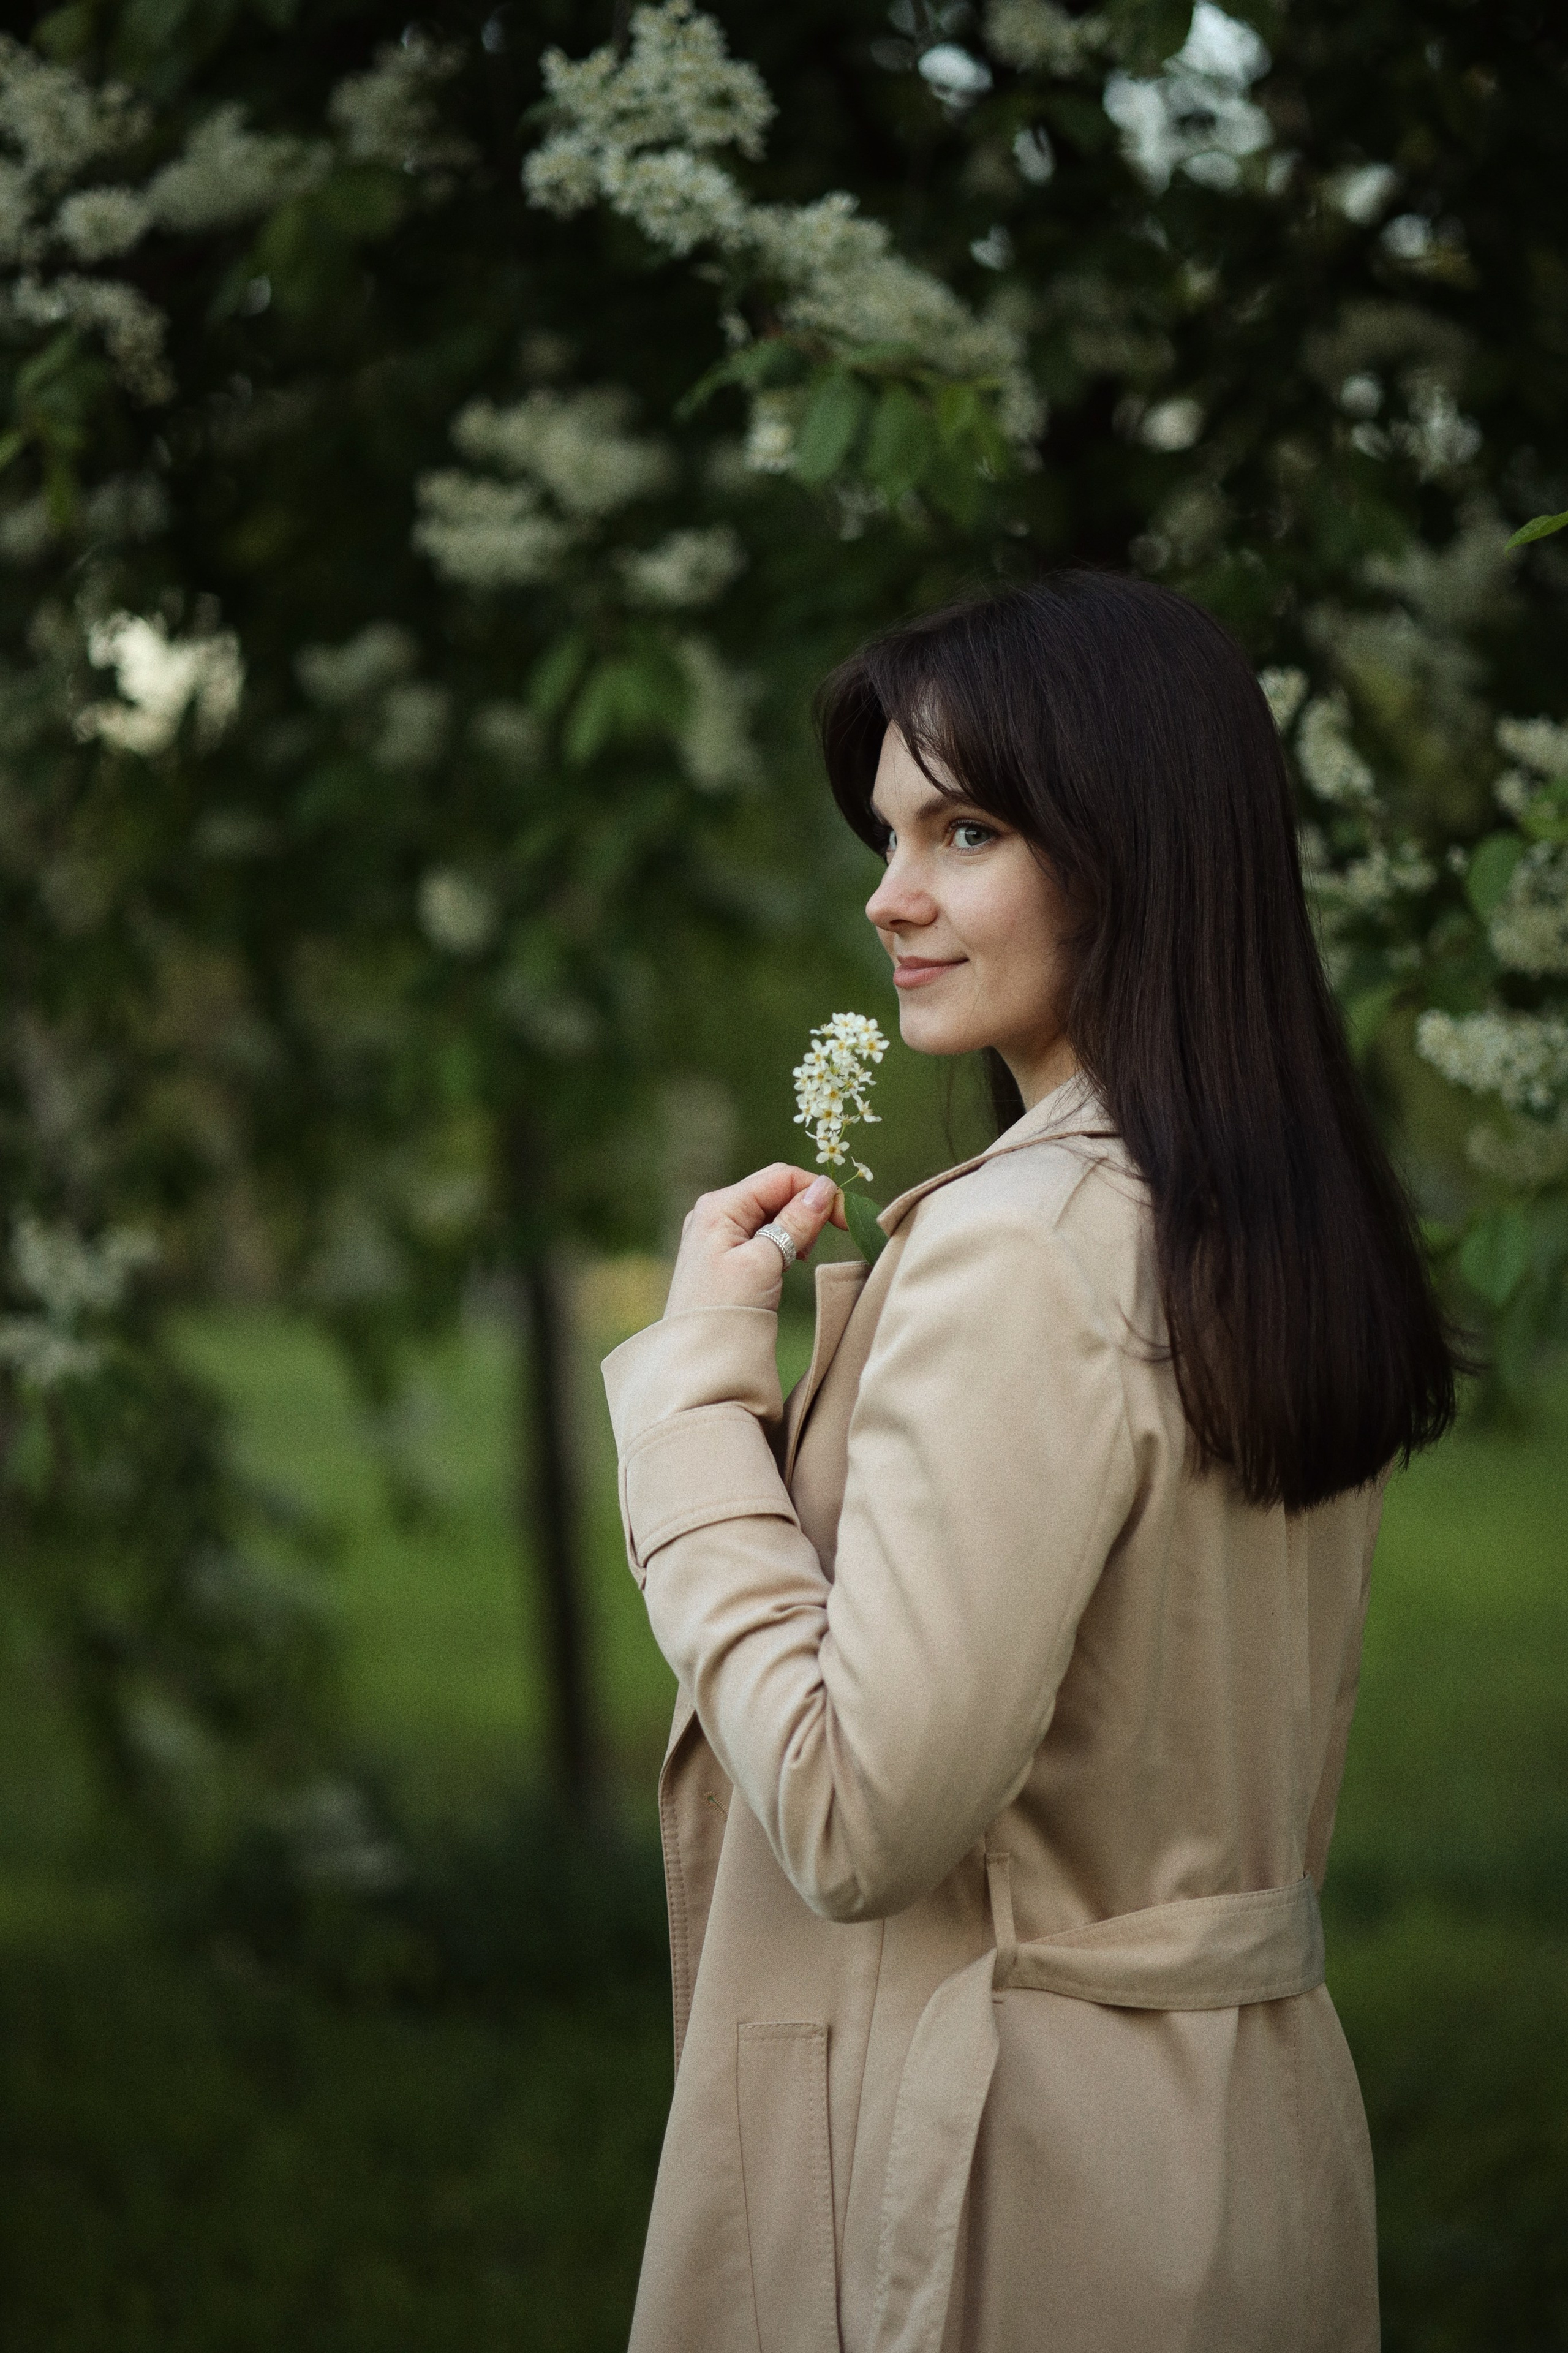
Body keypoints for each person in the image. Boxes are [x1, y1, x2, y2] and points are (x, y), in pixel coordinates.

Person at [601, 573, 1463, 2353]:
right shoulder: (1268, 1219)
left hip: (1015, 2190)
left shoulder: (1026, 1244)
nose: (888, 891)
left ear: (1130, 848)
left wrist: (699, 1406)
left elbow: (856, 1817)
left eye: (966, 828)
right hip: (1256, 2148)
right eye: (893, 828)